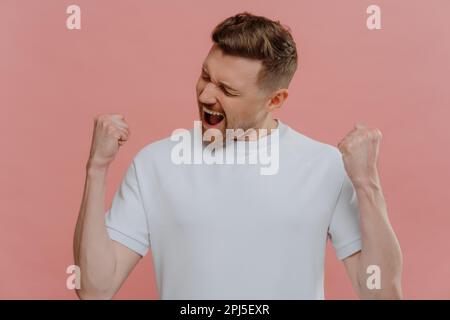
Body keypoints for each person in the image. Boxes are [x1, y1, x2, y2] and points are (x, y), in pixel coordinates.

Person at [73, 12, 402, 299]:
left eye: (227, 90)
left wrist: (367, 183)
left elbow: (381, 294)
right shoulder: (155, 164)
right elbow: (94, 289)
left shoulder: (324, 166)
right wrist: (96, 168)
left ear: (274, 100)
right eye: (205, 76)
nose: (205, 94)